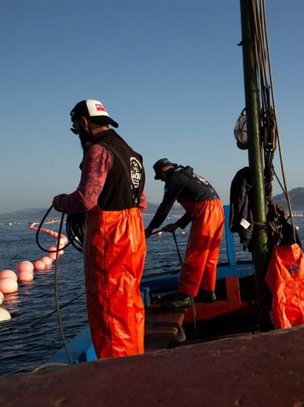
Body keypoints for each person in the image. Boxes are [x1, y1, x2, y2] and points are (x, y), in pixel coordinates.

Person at [53, 99, 147, 359]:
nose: (77, 133)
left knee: (108, 305)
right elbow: (142, 201)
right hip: (134, 233)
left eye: (75, 128)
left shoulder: (98, 151)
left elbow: (86, 199)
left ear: (83, 123)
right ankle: (136, 358)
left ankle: (116, 374)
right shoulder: (133, 155)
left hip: (111, 235)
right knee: (129, 300)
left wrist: (60, 201)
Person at [145, 158, 224, 309]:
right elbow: (200, 203)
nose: (161, 181)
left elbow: (165, 206)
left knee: (195, 254)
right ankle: (208, 291)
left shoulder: (174, 179)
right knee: (209, 255)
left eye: (160, 177)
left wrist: (150, 228)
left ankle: (185, 296)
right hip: (217, 210)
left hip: (207, 211)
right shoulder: (188, 176)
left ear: (162, 170)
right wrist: (177, 224)